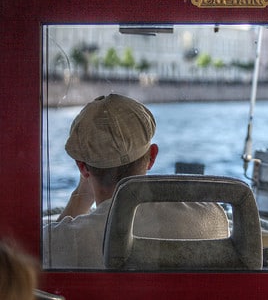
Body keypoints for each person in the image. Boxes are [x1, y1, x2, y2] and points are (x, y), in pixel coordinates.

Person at [43, 94, 229, 269]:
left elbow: (39, 257)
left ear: (82, 168)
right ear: (152, 156)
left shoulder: (68, 240)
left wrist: (80, 197)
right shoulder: (211, 218)